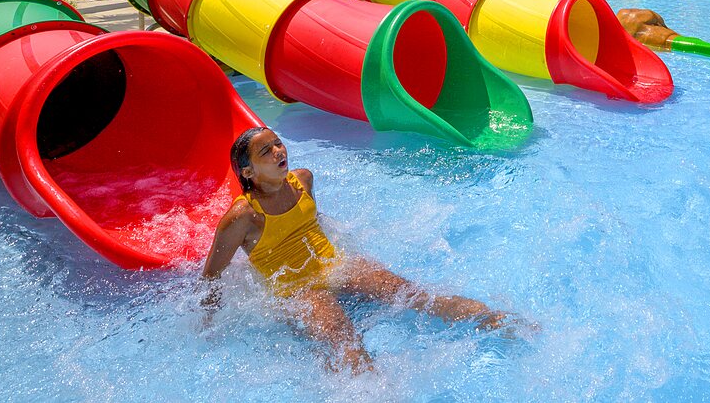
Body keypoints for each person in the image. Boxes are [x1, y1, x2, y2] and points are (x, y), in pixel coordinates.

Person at [201, 127, 522, 372]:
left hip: (335, 266)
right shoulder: (243, 216)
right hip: (298, 291)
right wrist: (209, 324)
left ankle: (501, 322)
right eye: (265, 152)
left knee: (414, 294)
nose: (278, 151)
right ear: (247, 172)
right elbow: (212, 274)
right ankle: (370, 390)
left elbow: (312, 224)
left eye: (277, 144)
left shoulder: (303, 180)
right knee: (343, 340)